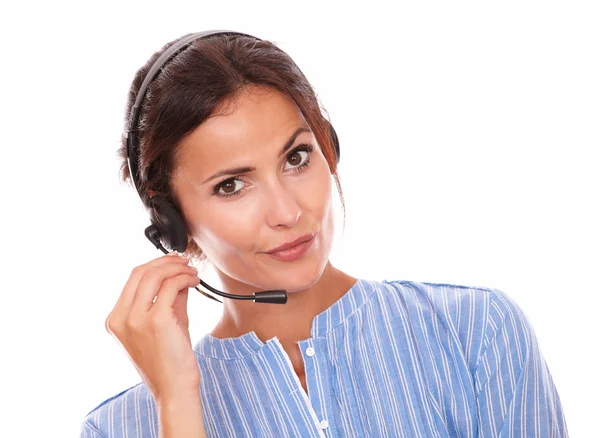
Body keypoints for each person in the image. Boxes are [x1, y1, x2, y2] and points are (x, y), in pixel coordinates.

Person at [80, 31, 568, 438]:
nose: (288, 212)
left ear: (328, 148)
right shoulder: (122, 428)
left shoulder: (476, 333)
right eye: (231, 185)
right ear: (170, 222)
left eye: (297, 157)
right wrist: (179, 404)